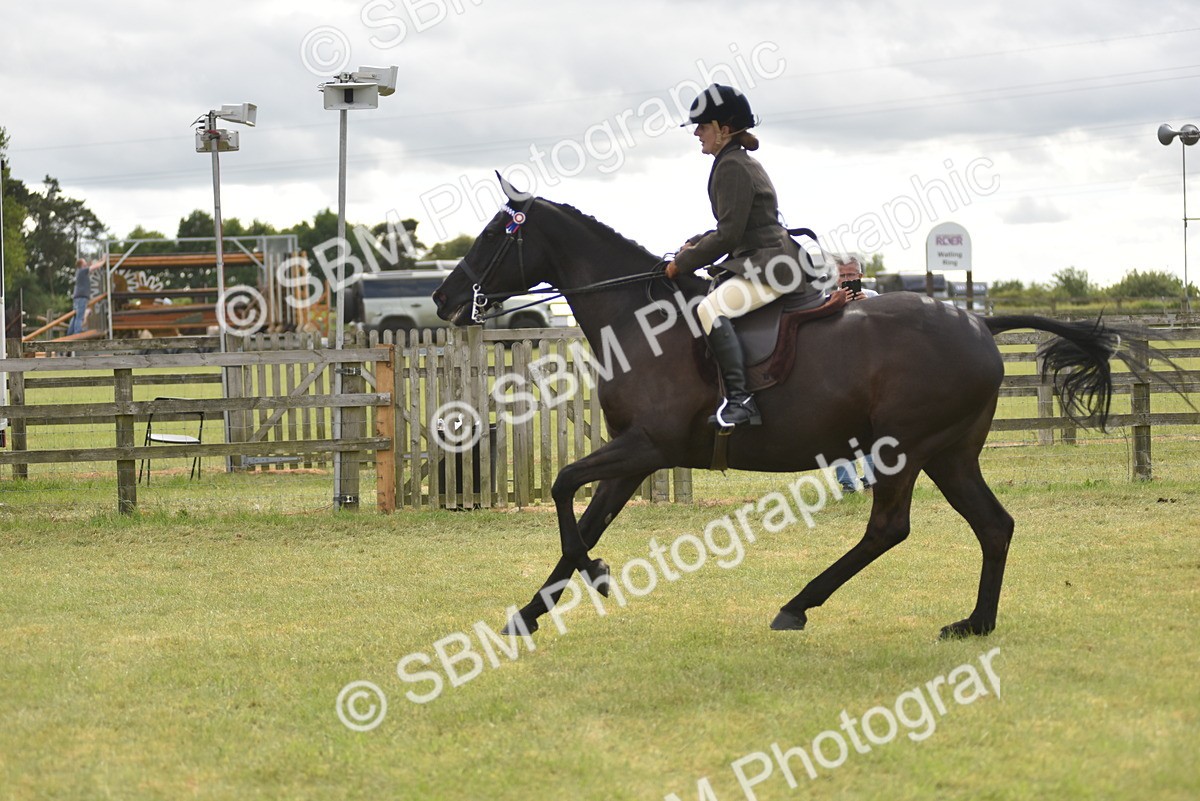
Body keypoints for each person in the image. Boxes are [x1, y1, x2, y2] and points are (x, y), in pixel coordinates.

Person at [665, 84, 821, 429]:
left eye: (703, 127)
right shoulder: (733, 160)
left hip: (770, 265)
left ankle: (742, 401)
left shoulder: (732, 166)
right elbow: (733, 226)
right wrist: (695, 242)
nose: (696, 133)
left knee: (711, 308)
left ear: (723, 130)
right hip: (764, 257)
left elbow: (730, 234)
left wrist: (683, 264)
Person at [833, 253, 878, 492]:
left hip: (868, 371)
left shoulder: (874, 298)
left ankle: (871, 479)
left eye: (851, 275)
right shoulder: (826, 299)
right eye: (842, 275)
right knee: (841, 428)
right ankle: (847, 482)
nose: (846, 279)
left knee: (871, 426)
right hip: (839, 372)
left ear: (860, 276)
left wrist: (865, 305)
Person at [67, 258, 102, 336]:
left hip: (78, 297)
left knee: (76, 316)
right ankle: (77, 333)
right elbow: (94, 267)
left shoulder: (80, 271)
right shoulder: (82, 271)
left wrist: (98, 260)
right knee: (80, 316)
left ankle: (70, 333)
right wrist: (103, 261)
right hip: (81, 297)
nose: (86, 262)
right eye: (84, 261)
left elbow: (91, 265)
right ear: (82, 264)